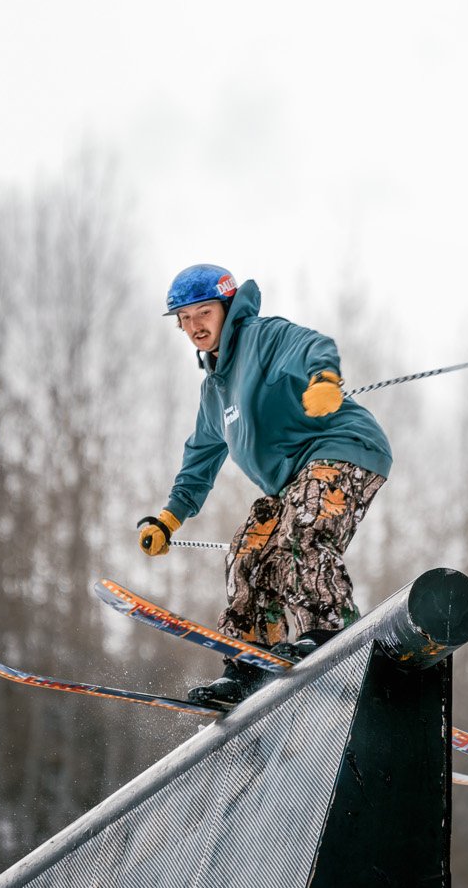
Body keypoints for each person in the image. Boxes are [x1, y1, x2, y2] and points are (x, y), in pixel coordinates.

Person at [138, 263, 392, 708]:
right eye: (185, 319)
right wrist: (168, 518)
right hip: (293, 481)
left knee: (304, 528)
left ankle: (330, 631)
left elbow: (314, 345)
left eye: (203, 313)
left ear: (226, 308)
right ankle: (248, 661)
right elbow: (199, 458)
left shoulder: (261, 337)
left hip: (344, 447)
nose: (195, 326)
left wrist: (325, 379)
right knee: (249, 549)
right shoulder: (214, 392)